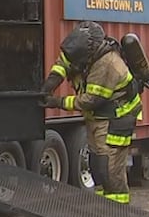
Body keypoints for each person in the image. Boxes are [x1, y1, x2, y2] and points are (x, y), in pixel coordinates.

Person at [40, 21, 142, 204]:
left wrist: (57, 102)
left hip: (116, 118)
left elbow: (91, 100)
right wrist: (49, 85)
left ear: (89, 52)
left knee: (110, 169)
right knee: (97, 166)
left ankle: (118, 212)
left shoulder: (107, 64)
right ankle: (104, 209)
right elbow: (62, 64)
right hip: (99, 118)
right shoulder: (81, 51)